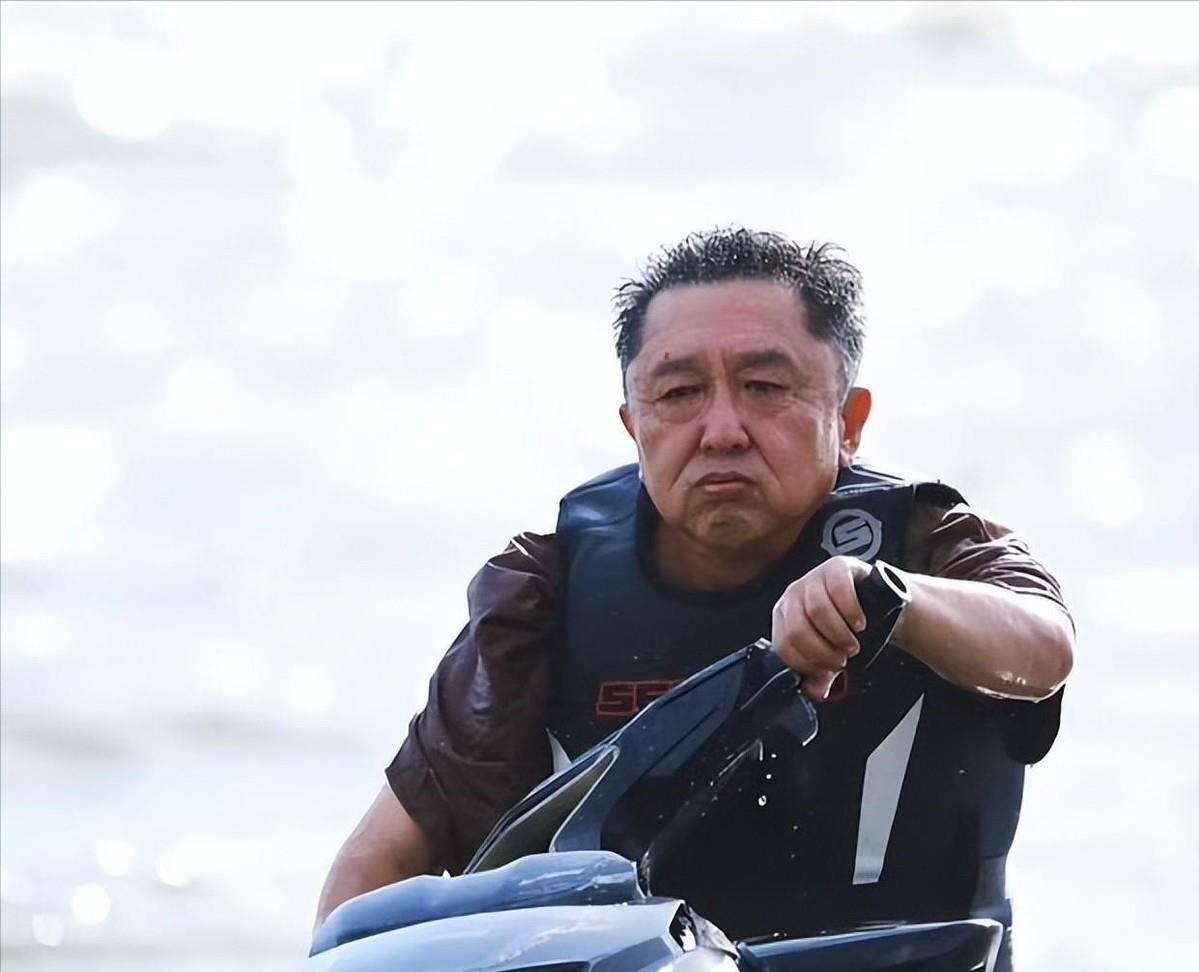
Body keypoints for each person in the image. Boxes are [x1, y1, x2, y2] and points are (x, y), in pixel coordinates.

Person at [313, 228, 1073, 970]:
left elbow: (1044, 647)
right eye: (679, 393)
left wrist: (888, 599)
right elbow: (376, 871)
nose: (721, 430)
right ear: (633, 424)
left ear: (848, 422)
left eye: (764, 387)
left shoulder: (927, 545)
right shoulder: (540, 595)